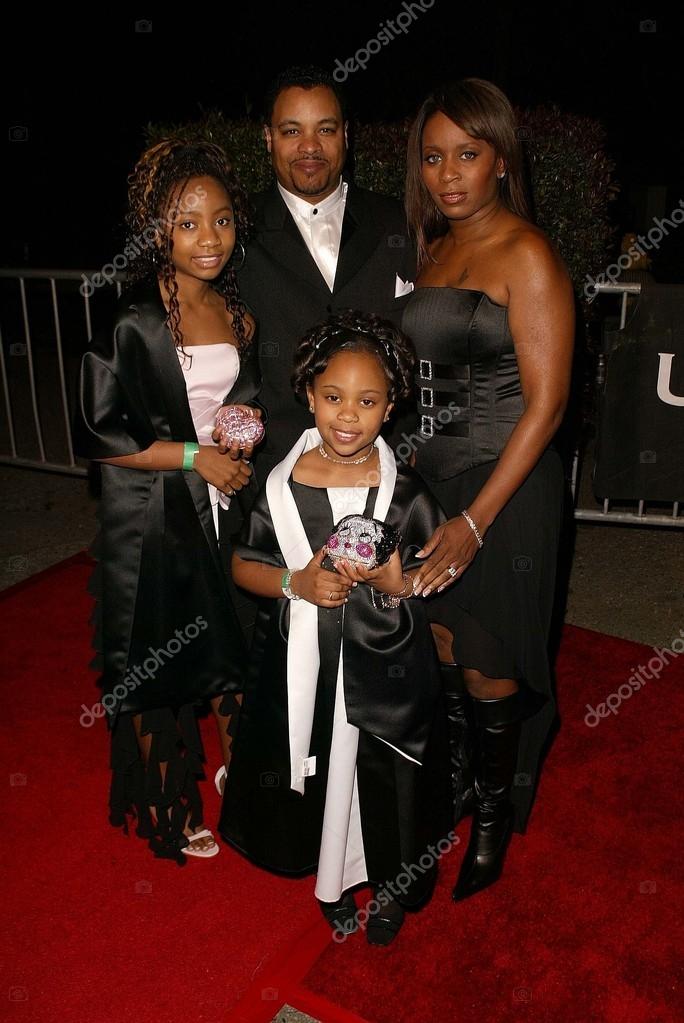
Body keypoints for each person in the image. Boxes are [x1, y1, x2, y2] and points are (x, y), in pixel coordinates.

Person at [219, 311, 451, 945]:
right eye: (333, 398)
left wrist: (394, 582)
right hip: (308, 663)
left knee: (383, 777)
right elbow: (242, 563)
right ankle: (333, 881)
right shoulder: (281, 487)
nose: (347, 416)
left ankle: (392, 884)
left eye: (367, 401)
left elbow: (432, 574)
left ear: (391, 405)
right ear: (309, 395)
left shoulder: (403, 489)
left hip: (387, 662)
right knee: (325, 771)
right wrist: (298, 583)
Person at [402, 79, 575, 901]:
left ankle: (497, 814)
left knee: (491, 659)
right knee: (442, 644)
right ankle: (468, 782)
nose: (448, 173)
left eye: (467, 154)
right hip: (433, 481)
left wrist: (475, 518)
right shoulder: (433, 248)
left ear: (500, 158)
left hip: (507, 485)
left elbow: (546, 405)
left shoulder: (526, 252)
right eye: (433, 157)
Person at [74, 139, 263, 863]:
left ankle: (240, 775)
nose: (208, 238)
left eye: (220, 220)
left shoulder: (236, 311)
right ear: (159, 230)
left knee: (231, 643)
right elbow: (99, 435)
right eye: (188, 223)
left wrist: (239, 438)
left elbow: (229, 406)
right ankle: (165, 802)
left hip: (221, 506)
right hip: (152, 513)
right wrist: (197, 458)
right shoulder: (133, 319)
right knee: (157, 654)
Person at [236, 64, 418, 480]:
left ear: (346, 135)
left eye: (325, 129)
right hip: (273, 470)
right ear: (268, 138)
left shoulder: (398, 222)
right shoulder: (236, 230)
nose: (309, 146)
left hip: (386, 466)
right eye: (291, 130)